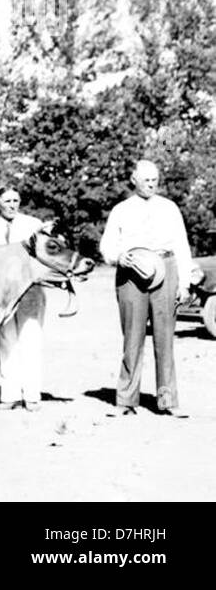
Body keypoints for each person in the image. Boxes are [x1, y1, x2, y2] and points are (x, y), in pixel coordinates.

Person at [99, 160, 201, 416]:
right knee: (132, 337)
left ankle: (168, 400)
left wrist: (185, 283)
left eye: (155, 179)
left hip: (166, 269)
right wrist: (117, 257)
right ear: (134, 179)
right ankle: (125, 400)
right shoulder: (121, 210)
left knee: (165, 338)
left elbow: (181, 245)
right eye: (146, 179)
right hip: (132, 273)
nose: (151, 184)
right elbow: (107, 245)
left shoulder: (169, 208)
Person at [0, 187, 48, 410]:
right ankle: (10, 396)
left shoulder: (33, 225)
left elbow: (45, 256)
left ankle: (32, 396)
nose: (12, 205)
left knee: (31, 339)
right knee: (6, 340)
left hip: (30, 290)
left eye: (16, 200)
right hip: (3, 294)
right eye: (7, 201)